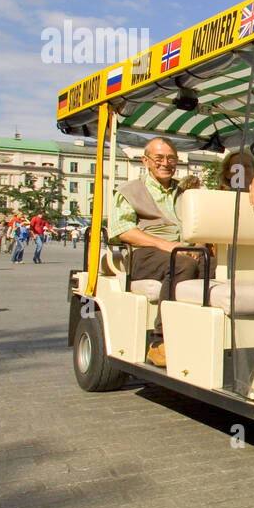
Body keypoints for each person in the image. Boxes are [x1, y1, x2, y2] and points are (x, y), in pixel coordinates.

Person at [110, 136, 209, 367]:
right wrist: (165, 245)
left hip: (181, 251)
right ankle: (160, 340)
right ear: (146, 161)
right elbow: (123, 231)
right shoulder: (130, 191)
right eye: (159, 158)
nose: (166, 163)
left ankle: (201, 332)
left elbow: (201, 225)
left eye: (171, 158)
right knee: (181, 264)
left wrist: (199, 246)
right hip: (144, 253)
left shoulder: (184, 193)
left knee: (213, 265)